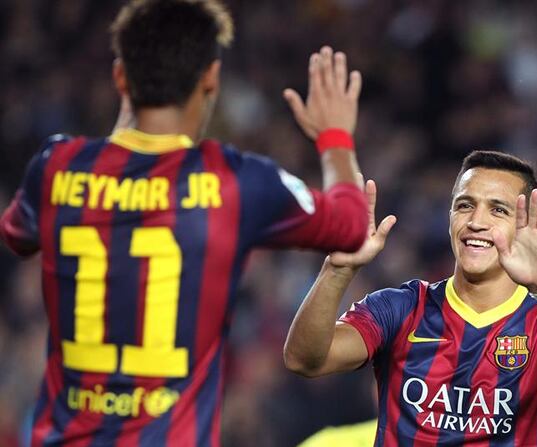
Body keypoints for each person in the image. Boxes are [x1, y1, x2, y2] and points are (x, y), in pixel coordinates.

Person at [0, 0, 369, 445]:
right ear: (210, 77)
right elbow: (351, 224)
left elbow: (15, 235)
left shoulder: (56, 167)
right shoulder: (235, 181)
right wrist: (334, 136)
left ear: (120, 77)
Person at [284, 151, 537, 446]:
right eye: (465, 205)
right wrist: (337, 269)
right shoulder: (402, 308)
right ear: (449, 218)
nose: (476, 221)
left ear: (525, 226)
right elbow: (305, 360)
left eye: (498, 210)